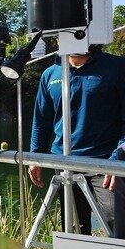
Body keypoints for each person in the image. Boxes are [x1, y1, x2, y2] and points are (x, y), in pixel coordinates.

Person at [28, 45, 125, 235]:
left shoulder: (117, 67)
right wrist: (35, 157)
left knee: (118, 227)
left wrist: (117, 160)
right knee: (73, 228)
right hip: (64, 162)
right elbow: (41, 119)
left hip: (106, 163)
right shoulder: (51, 73)